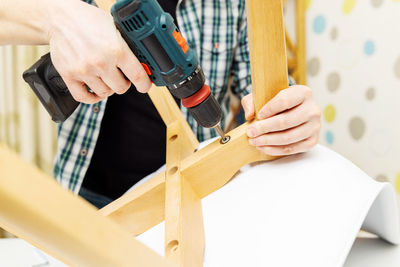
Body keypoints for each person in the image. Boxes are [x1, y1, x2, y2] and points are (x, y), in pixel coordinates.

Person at [0, 0, 321, 208]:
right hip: (85, 199)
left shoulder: (235, 5)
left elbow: (265, 89)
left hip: (190, 201)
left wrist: (290, 114)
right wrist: (56, 17)